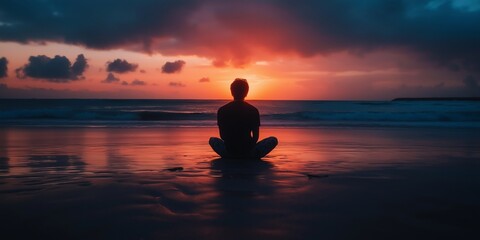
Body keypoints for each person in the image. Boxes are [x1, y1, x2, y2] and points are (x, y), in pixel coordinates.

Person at [209, 78, 278, 159]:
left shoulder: (222, 110)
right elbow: (255, 137)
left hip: (229, 152)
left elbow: (223, 136)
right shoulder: (253, 110)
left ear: (231, 92)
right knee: (273, 140)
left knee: (212, 140)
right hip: (249, 153)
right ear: (246, 92)